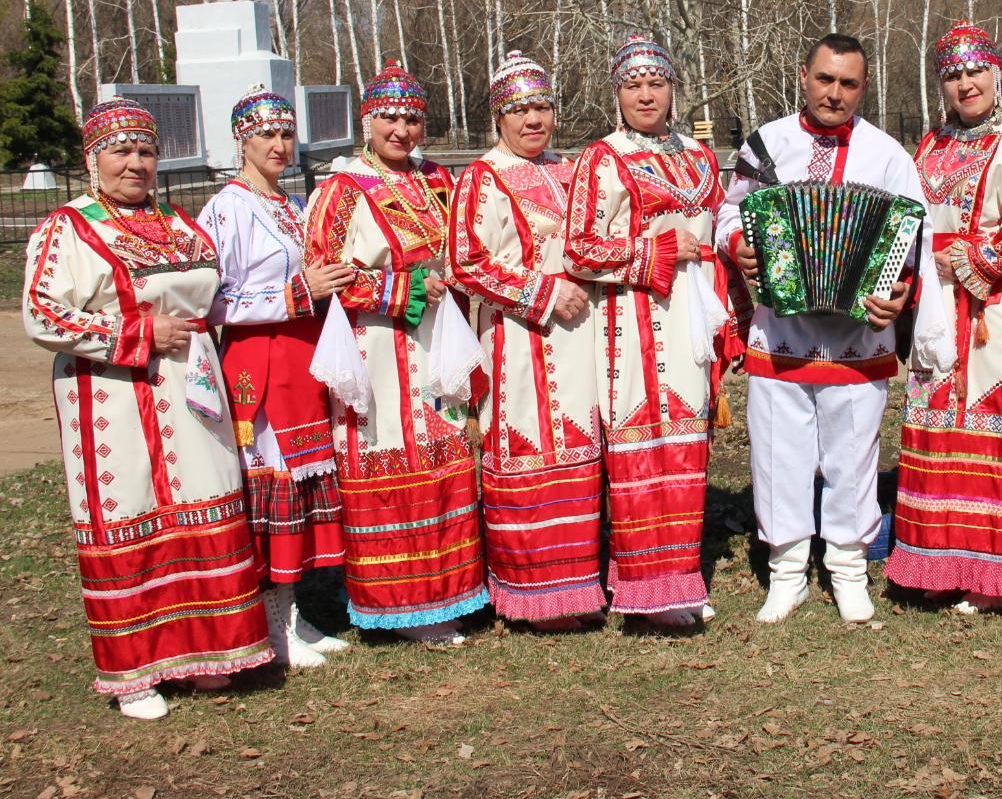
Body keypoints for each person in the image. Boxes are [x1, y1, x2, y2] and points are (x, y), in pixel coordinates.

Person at [23, 98, 272, 720]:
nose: (135, 164)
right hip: (113, 395)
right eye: (121, 152)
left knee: (205, 499)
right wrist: (135, 334)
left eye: (145, 152)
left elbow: (214, 298)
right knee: (133, 508)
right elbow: (43, 314)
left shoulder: (179, 224)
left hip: (191, 387)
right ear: (92, 159)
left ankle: (210, 652)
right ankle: (135, 670)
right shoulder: (69, 228)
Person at [715, 34, 921, 624]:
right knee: (779, 449)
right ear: (804, 75)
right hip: (781, 328)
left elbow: (910, 237)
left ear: (863, 87)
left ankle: (849, 568)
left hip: (860, 336)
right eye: (826, 79)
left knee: (853, 450)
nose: (835, 94)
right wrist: (741, 246)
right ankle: (787, 571)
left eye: (849, 83)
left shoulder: (887, 156)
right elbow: (733, 211)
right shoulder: (766, 144)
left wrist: (899, 288)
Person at [884, 21, 1002, 613]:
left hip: (994, 307)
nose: (965, 84)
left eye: (974, 72)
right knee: (935, 425)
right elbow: (909, 218)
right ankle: (934, 565)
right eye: (953, 76)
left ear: (997, 74)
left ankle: (988, 577)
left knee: (988, 427)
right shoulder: (932, 145)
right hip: (937, 304)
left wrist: (981, 258)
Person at [304, 60, 488, 644]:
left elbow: (464, 246)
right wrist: (401, 289)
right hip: (378, 345)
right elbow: (323, 272)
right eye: (388, 117)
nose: (401, 130)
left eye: (411, 119)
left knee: (446, 454)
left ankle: (450, 593)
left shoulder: (439, 179)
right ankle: (401, 603)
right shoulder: (340, 189)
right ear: (367, 121)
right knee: (392, 457)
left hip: (439, 337)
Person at [564, 34, 734, 628]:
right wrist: (653, 248)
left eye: (655, 83)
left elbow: (716, 234)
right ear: (617, 93)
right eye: (633, 85)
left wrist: (723, 317)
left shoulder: (699, 155)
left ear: (672, 89)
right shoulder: (602, 158)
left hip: (691, 320)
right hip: (631, 325)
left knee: (688, 446)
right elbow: (579, 249)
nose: (645, 95)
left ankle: (681, 576)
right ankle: (644, 588)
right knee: (641, 450)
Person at [448, 54, 606, 630]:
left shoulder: (573, 170)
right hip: (519, 338)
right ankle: (531, 592)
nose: (532, 120)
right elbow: (465, 262)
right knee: (529, 448)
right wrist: (540, 294)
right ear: (498, 118)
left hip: (580, 337)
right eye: (518, 111)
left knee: (577, 450)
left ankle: (578, 585)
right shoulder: (480, 178)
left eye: (541, 107)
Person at [198, 86, 353, 667]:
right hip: (258, 361)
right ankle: (272, 624)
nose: (280, 145)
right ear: (243, 139)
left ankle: (297, 616)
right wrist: (294, 293)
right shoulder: (227, 209)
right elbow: (214, 301)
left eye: (287, 134)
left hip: (301, 357)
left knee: (306, 486)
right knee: (275, 485)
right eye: (266, 134)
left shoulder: (292, 205)